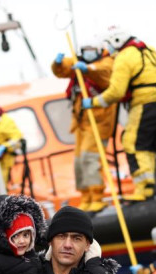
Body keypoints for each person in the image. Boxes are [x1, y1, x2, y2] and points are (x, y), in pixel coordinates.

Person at [82, 26, 156, 202]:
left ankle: (144, 188)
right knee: (147, 144)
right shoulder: (148, 49)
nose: (108, 49)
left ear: (115, 41)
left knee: (132, 143)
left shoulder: (124, 58)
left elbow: (116, 92)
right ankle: (152, 184)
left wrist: (93, 102)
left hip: (145, 103)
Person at [51, 39, 118, 212]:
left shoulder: (105, 63)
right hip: (82, 122)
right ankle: (86, 196)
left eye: (91, 50)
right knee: (80, 161)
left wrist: (87, 69)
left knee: (91, 158)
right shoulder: (78, 63)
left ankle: (97, 196)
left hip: (99, 120)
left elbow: (102, 73)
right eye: (85, 50)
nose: (88, 53)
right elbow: (64, 68)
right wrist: (57, 63)